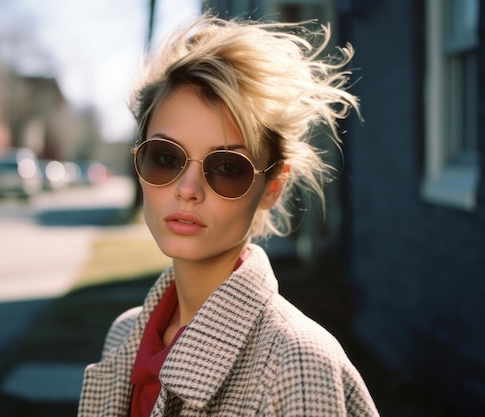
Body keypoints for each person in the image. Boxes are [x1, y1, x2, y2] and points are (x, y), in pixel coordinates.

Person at [78, 14, 379, 417]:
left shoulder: (298, 362)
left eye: (227, 167)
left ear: (272, 187)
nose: (188, 189)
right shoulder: (124, 335)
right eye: (165, 158)